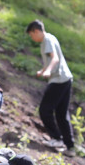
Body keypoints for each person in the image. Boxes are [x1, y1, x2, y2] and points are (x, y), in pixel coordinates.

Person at [26, 20, 75, 157]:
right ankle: (70, 146)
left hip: (58, 79)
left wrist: (48, 71)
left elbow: (55, 60)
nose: (32, 38)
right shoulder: (50, 38)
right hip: (66, 79)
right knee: (61, 114)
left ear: (36, 31)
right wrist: (43, 70)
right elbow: (51, 60)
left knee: (45, 110)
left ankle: (56, 138)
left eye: (31, 35)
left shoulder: (47, 40)